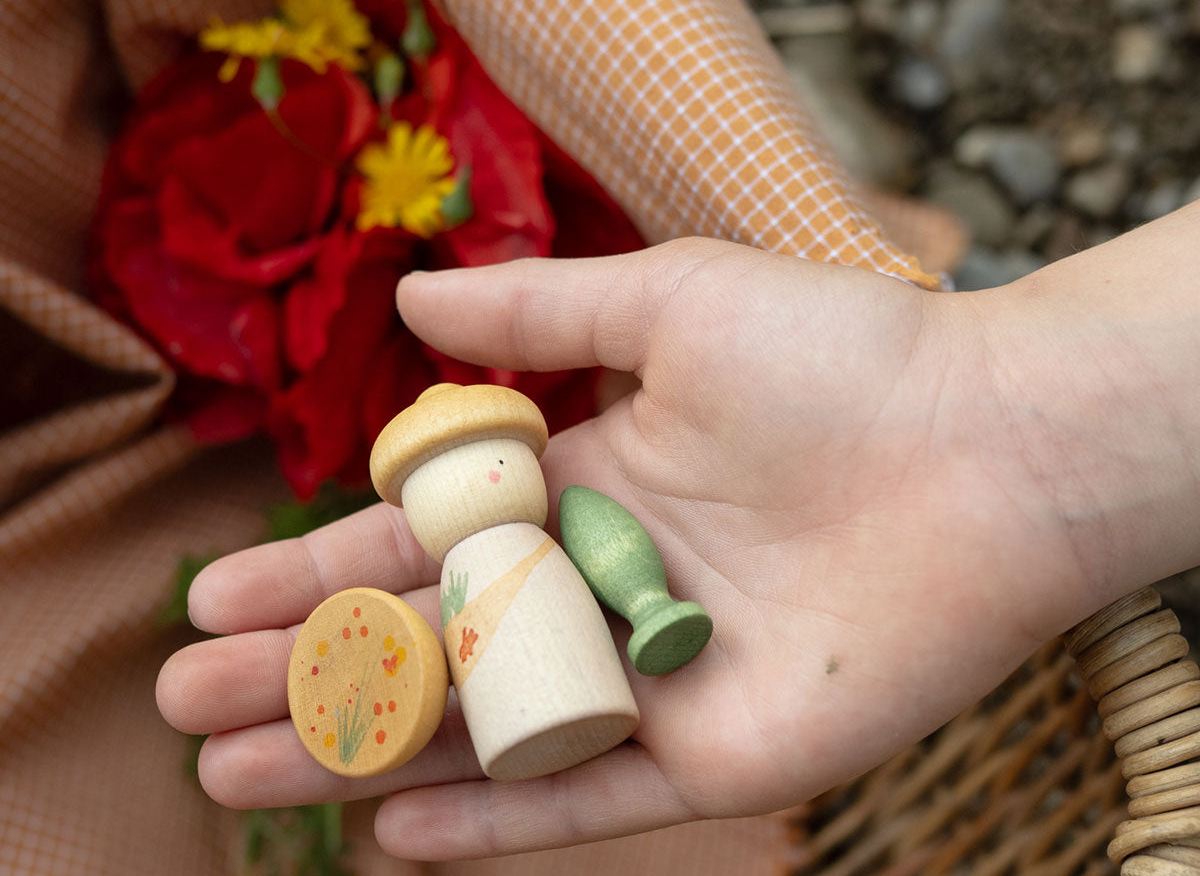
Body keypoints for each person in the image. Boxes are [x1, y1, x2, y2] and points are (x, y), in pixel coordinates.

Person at [158, 199, 1200, 860]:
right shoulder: (500, 551)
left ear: (517, 460)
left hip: (592, 675)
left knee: (535, 646)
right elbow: (483, 643)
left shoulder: (540, 536)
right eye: (445, 482)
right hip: (518, 683)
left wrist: (989, 410)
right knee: (504, 652)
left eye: (485, 464)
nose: (473, 485)